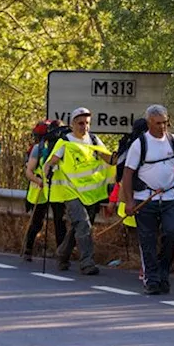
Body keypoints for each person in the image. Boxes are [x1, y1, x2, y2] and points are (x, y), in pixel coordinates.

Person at [119, 104, 174, 295]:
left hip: (169, 198)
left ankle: (163, 274)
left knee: (171, 234)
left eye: (165, 122)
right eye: (158, 123)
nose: (162, 127)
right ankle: (152, 280)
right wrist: (129, 201)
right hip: (145, 199)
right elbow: (127, 175)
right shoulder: (140, 144)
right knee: (148, 241)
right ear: (149, 123)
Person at [43, 108, 110, 275]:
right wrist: (49, 169)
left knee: (78, 227)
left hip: (90, 193)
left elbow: (108, 158)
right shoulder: (64, 142)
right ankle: (87, 262)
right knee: (83, 224)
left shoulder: (94, 140)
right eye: (80, 123)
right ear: (73, 124)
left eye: (87, 123)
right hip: (71, 191)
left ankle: (62, 253)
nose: (84, 127)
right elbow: (50, 162)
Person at [22, 119, 67, 261]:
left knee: (60, 223)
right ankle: (28, 249)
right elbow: (29, 172)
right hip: (41, 190)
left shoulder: (66, 147)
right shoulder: (40, 148)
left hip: (57, 190)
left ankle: (62, 255)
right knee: (37, 222)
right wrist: (39, 181)